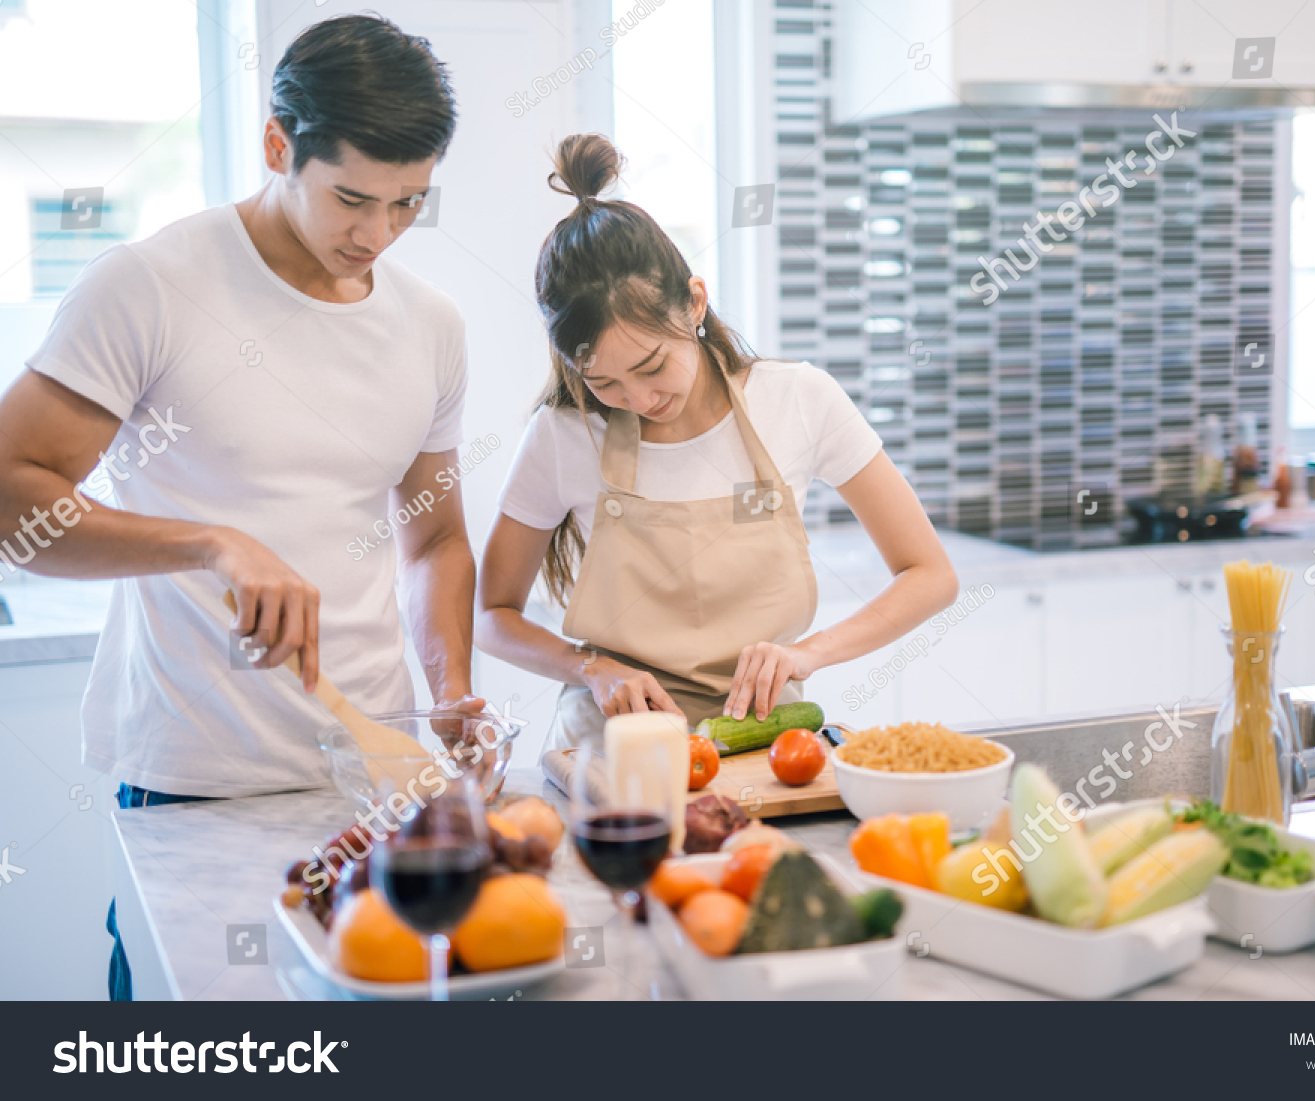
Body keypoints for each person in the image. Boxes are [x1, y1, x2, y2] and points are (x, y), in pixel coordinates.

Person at [0, 15, 482, 998]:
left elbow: (432, 536)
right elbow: (16, 500)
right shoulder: (149, 286)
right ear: (277, 146)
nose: (377, 235)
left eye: (409, 205)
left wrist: (450, 693)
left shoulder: (430, 326)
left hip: (367, 776)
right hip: (192, 779)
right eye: (353, 198)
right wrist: (215, 544)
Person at [476, 134, 959, 751]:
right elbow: (493, 615)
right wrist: (590, 668)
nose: (639, 399)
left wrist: (809, 654)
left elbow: (930, 574)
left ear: (694, 303)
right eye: (603, 384)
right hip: (613, 743)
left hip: (762, 733)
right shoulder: (563, 434)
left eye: (652, 367)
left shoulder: (799, 399)